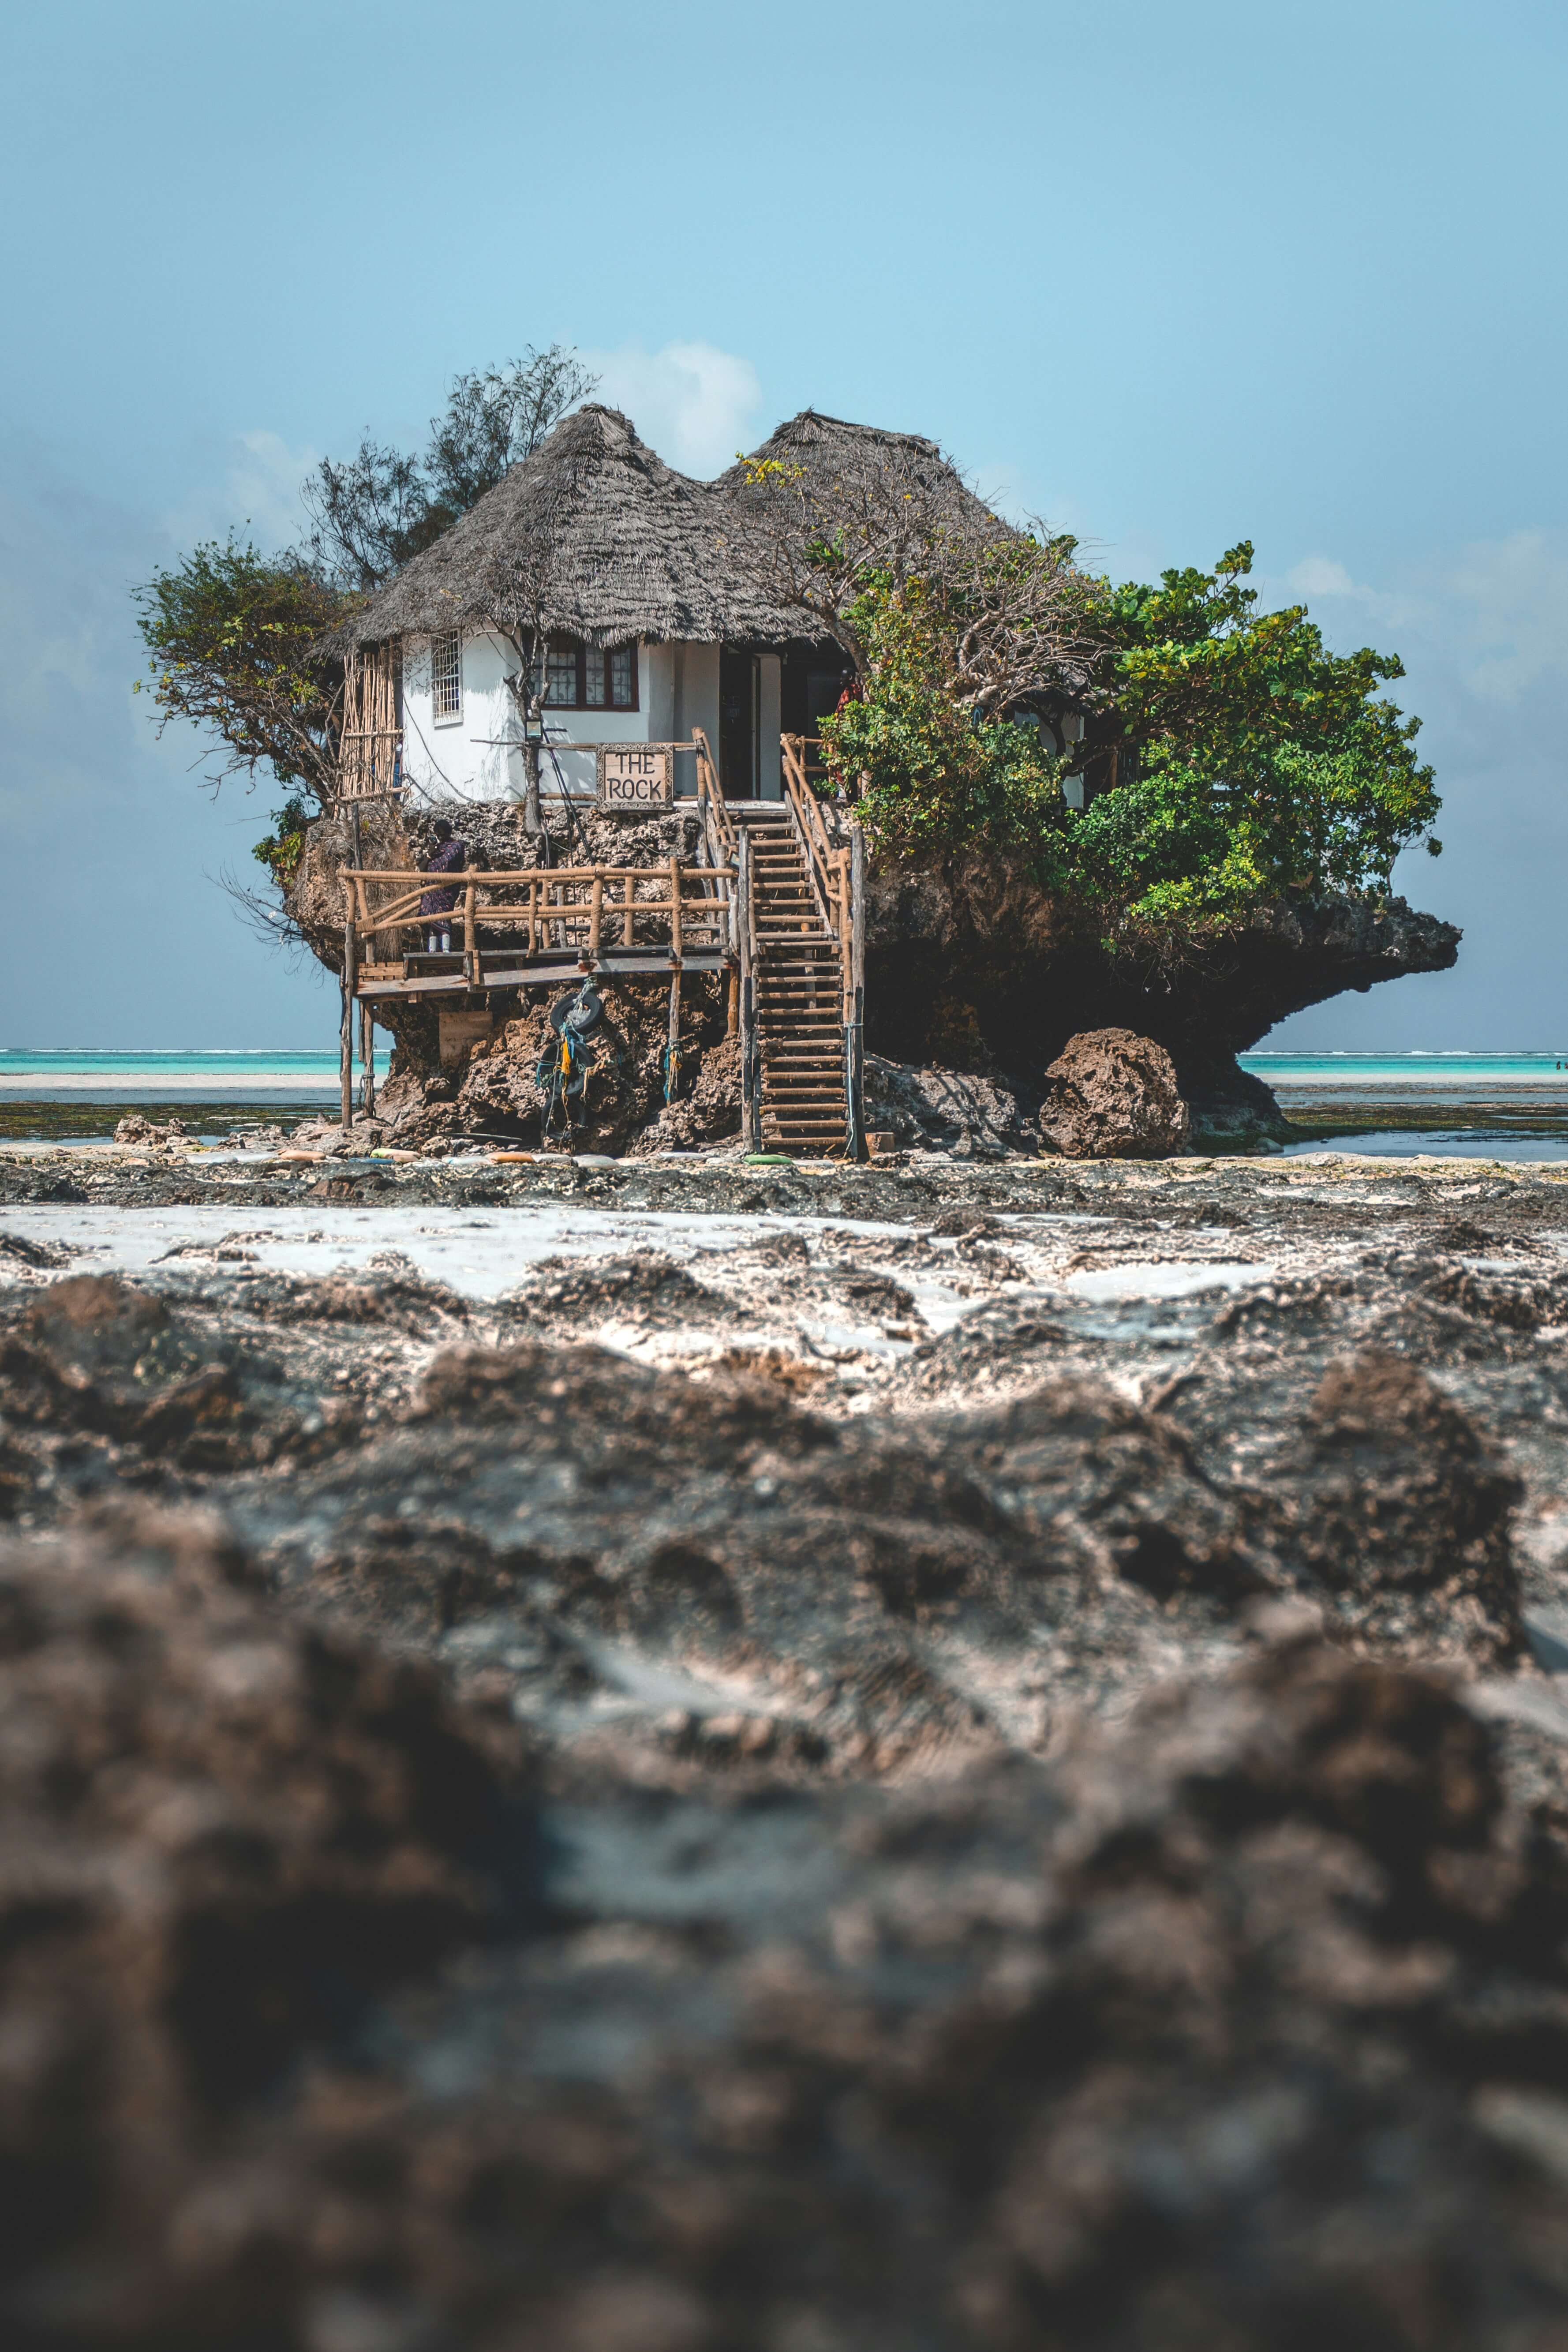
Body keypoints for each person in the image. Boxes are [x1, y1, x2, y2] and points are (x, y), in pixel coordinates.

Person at [419, 818, 468, 953]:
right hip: (430, 891)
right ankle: (432, 951)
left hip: (448, 890)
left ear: (449, 833)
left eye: (443, 834)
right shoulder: (435, 849)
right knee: (431, 920)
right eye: (438, 835)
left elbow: (455, 865)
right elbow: (422, 869)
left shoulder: (456, 847)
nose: (440, 838)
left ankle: (446, 949)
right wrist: (429, 855)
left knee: (445, 917)